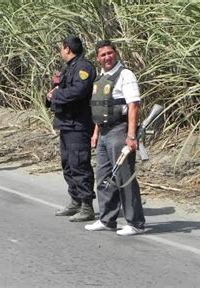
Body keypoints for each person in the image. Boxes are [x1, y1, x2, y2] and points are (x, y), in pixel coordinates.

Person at [85, 40, 146, 236]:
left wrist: (130, 136)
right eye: (103, 55)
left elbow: (133, 106)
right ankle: (107, 219)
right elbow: (99, 107)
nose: (107, 57)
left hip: (120, 131)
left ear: (116, 53)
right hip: (103, 133)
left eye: (110, 53)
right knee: (103, 177)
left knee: (124, 177)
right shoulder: (101, 77)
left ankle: (135, 222)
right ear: (97, 58)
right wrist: (95, 133)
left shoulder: (125, 75)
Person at [46, 35, 97, 222]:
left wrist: (57, 95)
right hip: (66, 124)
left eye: (62, 48)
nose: (61, 51)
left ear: (67, 48)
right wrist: (51, 93)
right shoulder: (69, 68)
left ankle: (87, 206)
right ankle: (75, 201)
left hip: (78, 124)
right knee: (68, 164)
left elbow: (79, 91)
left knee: (79, 164)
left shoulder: (84, 67)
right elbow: (60, 89)